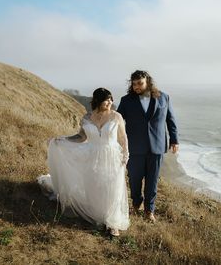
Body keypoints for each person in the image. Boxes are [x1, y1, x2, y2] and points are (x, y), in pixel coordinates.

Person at [38, 88, 130, 237]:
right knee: (94, 183)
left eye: (111, 99)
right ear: (98, 100)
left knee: (112, 187)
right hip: (92, 155)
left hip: (112, 156)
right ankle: (98, 214)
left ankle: (112, 223)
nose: (110, 102)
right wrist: (62, 140)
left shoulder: (116, 116)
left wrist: (126, 155)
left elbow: (123, 137)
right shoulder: (87, 117)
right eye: (107, 99)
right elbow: (81, 137)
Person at [117, 70, 179, 222]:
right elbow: (117, 121)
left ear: (148, 82)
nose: (137, 87)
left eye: (140, 83)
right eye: (134, 84)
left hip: (157, 147)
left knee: (152, 181)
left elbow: (170, 119)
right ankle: (136, 202)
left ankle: (149, 210)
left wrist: (174, 140)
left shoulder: (164, 97)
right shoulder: (126, 101)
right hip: (135, 147)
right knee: (134, 180)